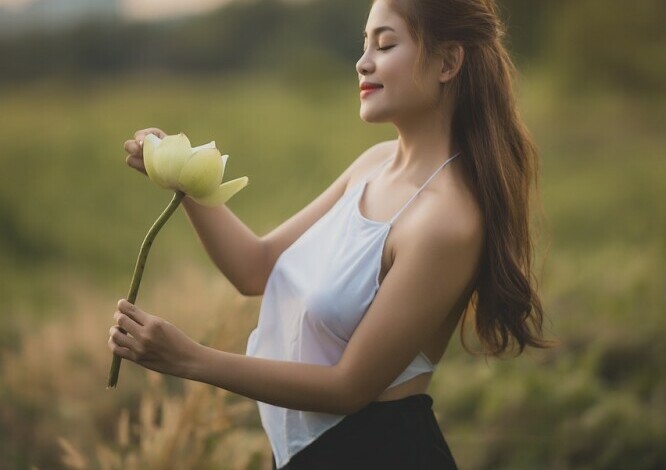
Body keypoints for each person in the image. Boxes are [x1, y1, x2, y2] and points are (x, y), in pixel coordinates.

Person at [110, 0, 550, 468]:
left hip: (378, 453)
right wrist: (182, 176)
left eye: (385, 44)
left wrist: (191, 359)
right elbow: (256, 268)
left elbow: (349, 387)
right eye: (365, 44)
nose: (363, 62)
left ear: (447, 62)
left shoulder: (447, 221)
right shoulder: (374, 164)